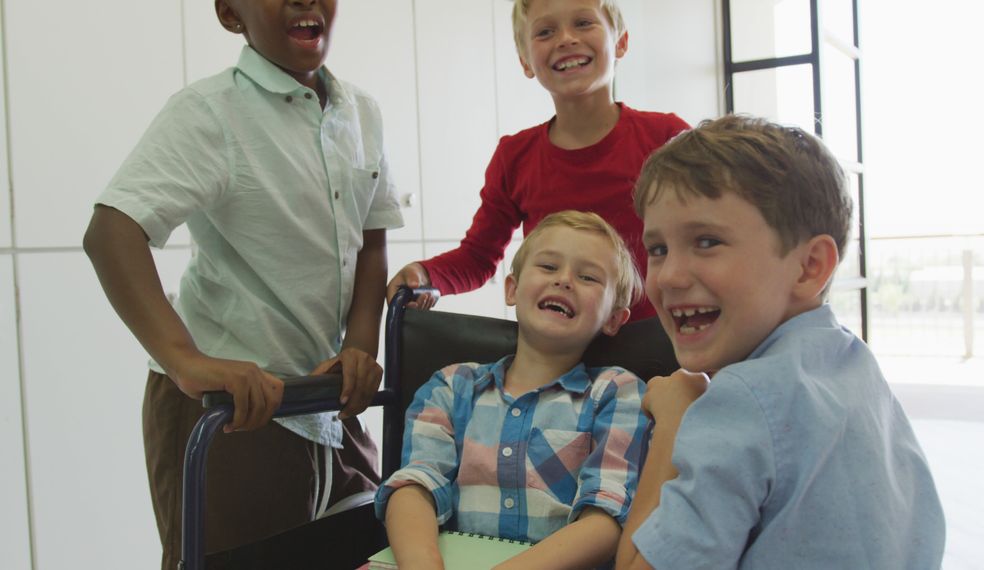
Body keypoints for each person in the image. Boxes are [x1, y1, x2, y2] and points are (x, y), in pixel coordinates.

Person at [81, 1, 403, 567]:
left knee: (365, 546)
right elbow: (111, 232)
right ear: (232, 14)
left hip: (327, 403)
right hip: (233, 408)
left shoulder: (363, 111)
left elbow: (371, 240)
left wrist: (359, 344)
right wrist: (185, 359)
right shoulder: (211, 111)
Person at [614, 116, 946, 570]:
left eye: (707, 241)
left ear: (810, 266)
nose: (669, 276)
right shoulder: (856, 367)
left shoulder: (743, 400)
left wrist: (673, 421)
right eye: (657, 249)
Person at [375, 211, 650, 569]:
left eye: (587, 276)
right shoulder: (451, 387)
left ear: (614, 318)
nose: (564, 281)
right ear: (512, 289)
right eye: (549, 267)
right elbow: (415, 486)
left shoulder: (618, 393)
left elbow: (606, 518)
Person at [386, 0, 689, 322]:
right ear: (526, 62)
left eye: (584, 23)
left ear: (621, 42)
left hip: (660, 346)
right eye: (545, 31)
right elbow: (477, 258)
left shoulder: (667, 138)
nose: (566, 39)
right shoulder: (514, 157)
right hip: (559, 346)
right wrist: (424, 273)